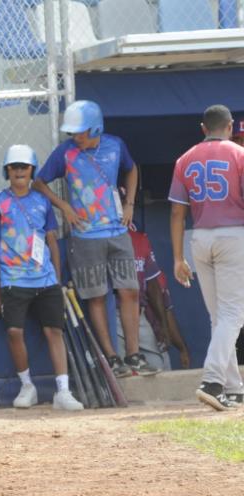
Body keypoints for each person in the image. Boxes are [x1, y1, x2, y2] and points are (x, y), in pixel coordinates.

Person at [32, 100, 159, 378]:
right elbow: (39, 182)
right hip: (85, 235)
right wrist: (63, 206)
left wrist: (130, 204)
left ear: (96, 128)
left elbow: (132, 168)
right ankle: (112, 359)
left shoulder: (115, 145)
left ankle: (134, 355)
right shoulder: (65, 153)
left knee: (130, 291)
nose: (75, 137)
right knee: (96, 296)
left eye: (81, 131)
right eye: (73, 132)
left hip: (118, 231)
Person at [0, 145, 84, 411]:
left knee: (54, 331)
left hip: (46, 279)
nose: (18, 171)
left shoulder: (42, 201)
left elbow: (51, 240)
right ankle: (27, 386)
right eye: (14, 167)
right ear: (6, 170)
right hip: (12, 279)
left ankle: (63, 391)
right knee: (14, 331)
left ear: (32, 171)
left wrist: (57, 281)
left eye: (24, 167)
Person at [169, 104, 244, 411]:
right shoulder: (239, 155)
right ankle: (212, 380)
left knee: (219, 316)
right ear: (229, 127)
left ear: (203, 128)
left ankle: (232, 388)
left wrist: (176, 258)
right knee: (233, 315)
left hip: (199, 238)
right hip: (233, 235)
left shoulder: (184, 159)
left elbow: (176, 211)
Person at [118, 224, 191, 370]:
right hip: (116, 312)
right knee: (122, 369)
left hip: (142, 318)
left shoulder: (141, 242)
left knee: (158, 366)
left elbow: (163, 304)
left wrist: (180, 346)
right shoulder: (111, 241)